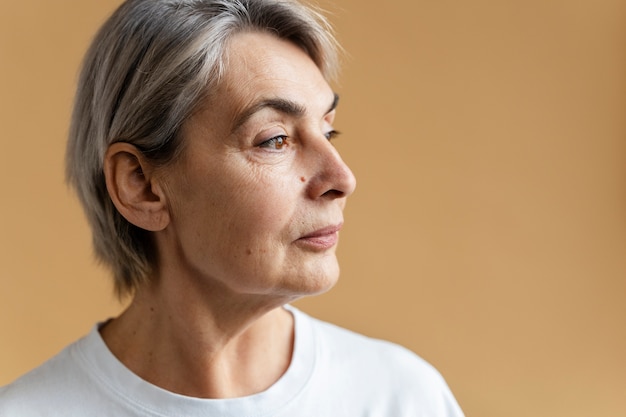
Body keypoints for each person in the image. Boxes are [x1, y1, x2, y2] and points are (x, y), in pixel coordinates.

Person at [0, 0, 465, 415]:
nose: (342, 179)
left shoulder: (401, 398)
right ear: (141, 185)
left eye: (328, 131)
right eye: (274, 139)